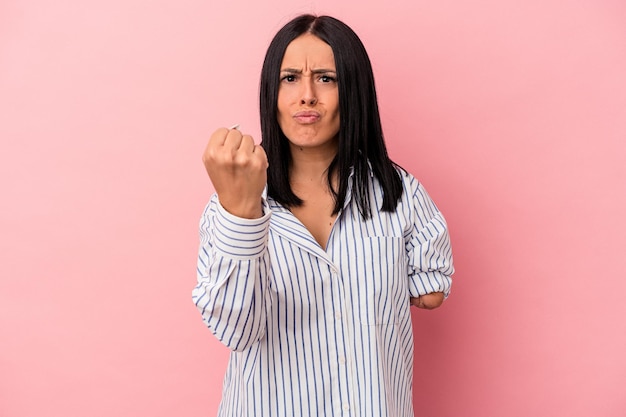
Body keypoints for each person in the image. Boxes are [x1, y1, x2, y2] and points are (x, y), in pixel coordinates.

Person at [193, 14, 454, 417]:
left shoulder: (396, 192)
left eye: (327, 78)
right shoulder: (229, 206)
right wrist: (242, 212)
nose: (307, 96)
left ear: (353, 91)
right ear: (271, 92)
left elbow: (430, 287)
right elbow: (236, 330)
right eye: (291, 78)